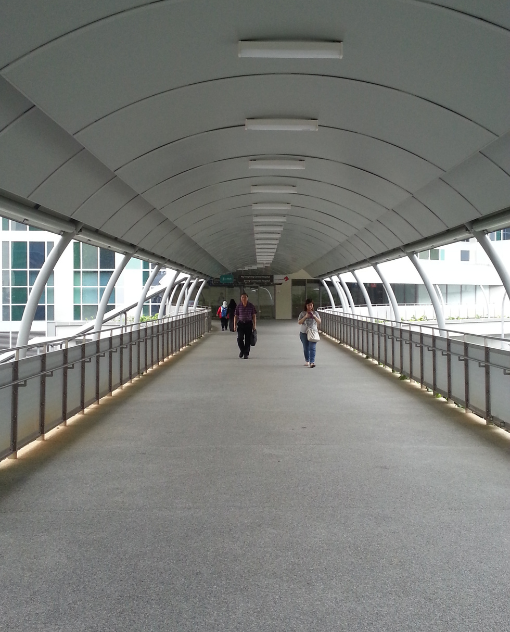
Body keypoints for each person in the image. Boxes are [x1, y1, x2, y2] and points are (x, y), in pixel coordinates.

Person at [298, 298, 321, 368]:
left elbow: (319, 322)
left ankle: (312, 362)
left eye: (311, 305)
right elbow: (299, 322)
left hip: (313, 332)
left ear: (313, 305)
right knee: (306, 347)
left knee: (312, 347)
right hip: (304, 332)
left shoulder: (316, 313)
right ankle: (307, 360)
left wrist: (314, 317)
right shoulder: (302, 313)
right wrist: (305, 317)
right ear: (306, 305)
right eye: (308, 305)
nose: (310, 307)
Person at [234, 292, 257, 359]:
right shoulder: (238, 306)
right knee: (239, 338)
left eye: (245, 297)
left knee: (248, 339)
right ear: (241, 298)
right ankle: (242, 350)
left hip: (248, 324)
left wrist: (254, 325)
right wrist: (234, 325)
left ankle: (246, 353)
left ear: (247, 298)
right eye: (242, 297)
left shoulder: (251, 306)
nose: (243, 299)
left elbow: (254, 316)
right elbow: (236, 316)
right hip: (241, 324)